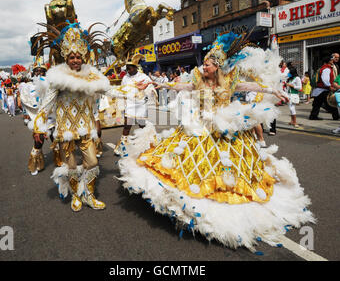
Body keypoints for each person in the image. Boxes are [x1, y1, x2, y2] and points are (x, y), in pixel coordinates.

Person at [117, 31, 314, 252]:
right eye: (205, 64)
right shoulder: (197, 80)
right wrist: (157, 85)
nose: (204, 67)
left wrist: (276, 92)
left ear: (218, 66)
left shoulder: (230, 81)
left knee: (226, 165)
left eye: (209, 65)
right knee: (189, 161)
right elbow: (179, 86)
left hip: (224, 128)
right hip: (198, 128)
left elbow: (252, 87)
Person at [32, 21, 111, 212]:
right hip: (65, 129)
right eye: (72, 57)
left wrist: (97, 120)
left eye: (78, 57)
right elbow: (46, 104)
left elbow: (97, 100)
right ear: (66, 58)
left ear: (83, 57)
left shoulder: (90, 76)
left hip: (86, 127)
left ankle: (89, 194)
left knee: (92, 162)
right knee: (72, 166)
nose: (76, 60)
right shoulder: (57, 78)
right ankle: (77, 194)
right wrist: (38, 126)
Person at [112, 53, 154, 156]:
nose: (128, 71)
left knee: (142, 125)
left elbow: (150, 87)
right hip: (130, 105)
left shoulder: (143, 76)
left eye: (130, 68)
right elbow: (122, 90)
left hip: (140, 105)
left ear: (135, 68)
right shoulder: (125, 78)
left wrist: (148, 91)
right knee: (127, 125)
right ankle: (122, 146)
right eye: (127, 69)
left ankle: (147, 144)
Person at [309, 55, 339, 120]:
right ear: (328, 61)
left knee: (317, 104)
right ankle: (336, 116)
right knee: (330, 104)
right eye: (331, 60)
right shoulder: (327, 68)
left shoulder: (323, 68)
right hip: (323, 90)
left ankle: (313, 116)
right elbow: (325, 79)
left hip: (319, 90)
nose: (332, 61)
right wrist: (329, 86)